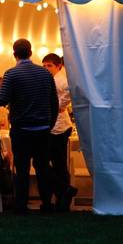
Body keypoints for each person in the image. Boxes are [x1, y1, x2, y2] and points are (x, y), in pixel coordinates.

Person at [0, 39, 58, 212]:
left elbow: (2, 100)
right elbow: (54, 102)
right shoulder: (45, 74)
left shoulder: (11, 74)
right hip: (42, 129)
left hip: (21, 130)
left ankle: (21, 205)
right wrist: (49, 124)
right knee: (43, 168)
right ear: (31, 52)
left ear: (14, 54)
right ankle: (47, 203)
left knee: (22, 169)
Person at [43, 53, 77, 211]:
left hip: (59, 127)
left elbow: (72, 90)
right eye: (44, 66)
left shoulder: (60, 79)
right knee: (55, 164)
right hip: (55, 126)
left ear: (59, 66)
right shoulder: (53, 79)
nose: (46, 68)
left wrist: (60, 105)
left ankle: (62, 195)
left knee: (56, 164)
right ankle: (63, 194)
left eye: (49, 65)